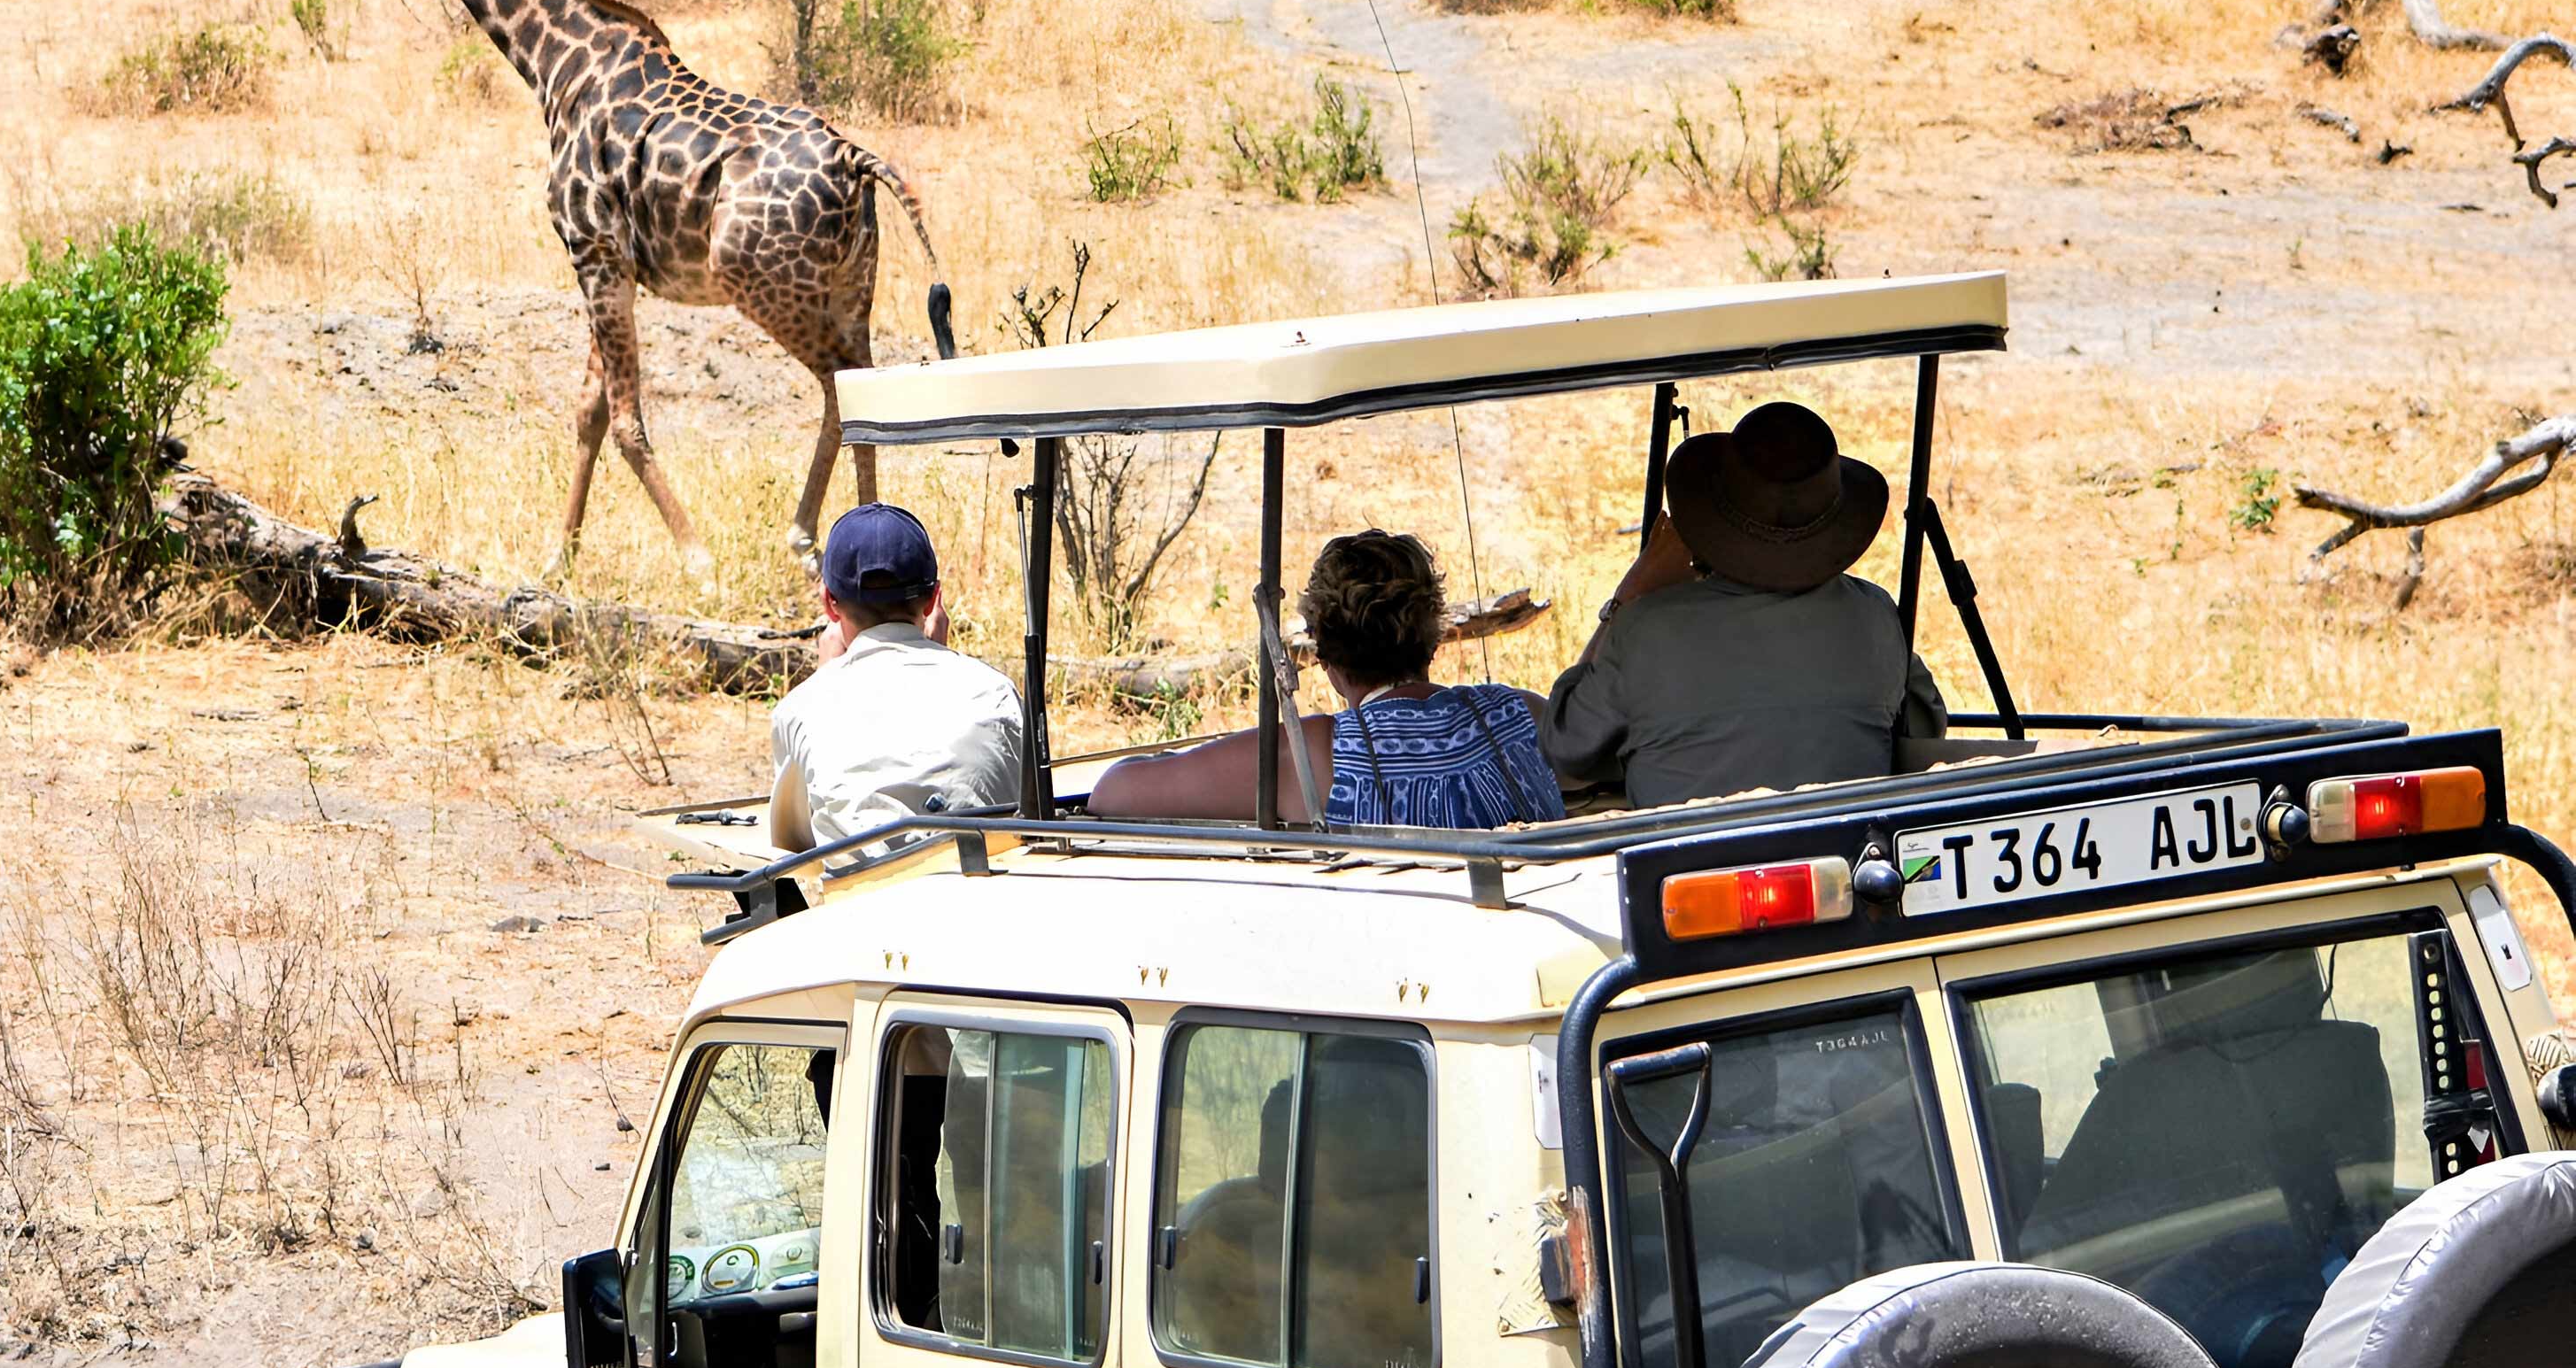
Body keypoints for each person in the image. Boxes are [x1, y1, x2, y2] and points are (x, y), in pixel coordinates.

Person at [1540, 400, 1946, 808]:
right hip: (1848, 859)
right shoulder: (1874, 614)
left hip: (1686, 862)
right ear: (1834, 521)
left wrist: (1627, 598)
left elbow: (1568, 748)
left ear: (1711, 520)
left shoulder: (1644, 628)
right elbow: (1925, 728)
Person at [1085, 530, 1560, 829]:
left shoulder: (1311, 754)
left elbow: (1113, 792)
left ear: (1323, 652)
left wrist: (1173, 755)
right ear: (1435, 636)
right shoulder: (1518, 714)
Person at [768, 504, 1023, 861]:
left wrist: (826, 679)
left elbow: (795, 840)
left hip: (865, 908)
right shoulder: (998, 692)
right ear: (934, 599)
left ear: (829, 603)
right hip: (978, 904)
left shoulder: (801, 708)